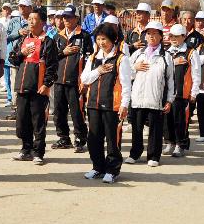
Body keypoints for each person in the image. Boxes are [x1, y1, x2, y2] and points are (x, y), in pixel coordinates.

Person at [80, 22, 131, 184]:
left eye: (105, 39)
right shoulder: (94, 57)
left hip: (112, 105)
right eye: (99, 39)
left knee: (112, 138)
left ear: (113, 40)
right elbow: (84, 79)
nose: (101, 42)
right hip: (93, 103)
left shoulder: (121, 59)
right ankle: (97, 167)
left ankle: (112, 169)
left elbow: (126, 84)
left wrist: (124, 104)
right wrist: (99, 70)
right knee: (94, 138)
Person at [9, 7, 58, 166]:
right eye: (29, 18)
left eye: (34, 18)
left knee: (38, 121)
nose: (30, 21)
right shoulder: (23, 40)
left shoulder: (48, 42)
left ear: (42, 22)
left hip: (38, 87)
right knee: (22, 120)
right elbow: (13, 60)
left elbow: (52, 66)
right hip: (22, 86)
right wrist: (22, 53)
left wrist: (46, 84)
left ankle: (38, 152)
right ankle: (25, 149)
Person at [124, 21, 174, 167]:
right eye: (149, 33)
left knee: (155, 130)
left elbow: (171, 80)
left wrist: (169, 100)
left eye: (155, 34)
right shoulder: (138, 54)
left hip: (156, 99)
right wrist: (135, 67)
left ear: (161, 36)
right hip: (138, 98)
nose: (151, 36)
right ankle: (135, 152)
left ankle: (153, 156)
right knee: (137, 128)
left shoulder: (166, 56)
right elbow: (125, 73)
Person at [51, 5, 91, 152]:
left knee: (77, 112)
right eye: (64, 17)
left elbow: (89, 60)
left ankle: (80, 139)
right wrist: (63, 51)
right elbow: (51, 57)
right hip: (59, 80)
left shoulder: (84, 36)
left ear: (76, 18)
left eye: (69, 17)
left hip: (76, 81)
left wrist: (85, 81)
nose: (66, 19)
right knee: (58, 112)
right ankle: (63, 138)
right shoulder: (57, 36)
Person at [163, 24, 197, 158]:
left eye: (177, 36)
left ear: (184, 37)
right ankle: (169, 142)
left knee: (180, 120)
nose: (173, 39)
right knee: (167, 120)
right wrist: (172, 62)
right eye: (171, 36)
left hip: (182, 92)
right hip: (168, 93)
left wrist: (194, 92)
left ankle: (180, 144)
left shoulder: (191, 52)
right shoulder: (167, 51)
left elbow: (196, 74)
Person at [5, 0, 32, 115]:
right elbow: (6, 37)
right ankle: (16, 109)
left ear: (30, 8)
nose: (21, 8)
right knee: (15, 83)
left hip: (30, 57)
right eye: (20, 6)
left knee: (29, 83)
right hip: (15, 57)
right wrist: (18, 33)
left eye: (24, 6)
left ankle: (28, 109)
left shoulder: (34, 20)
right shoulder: (14, 21)